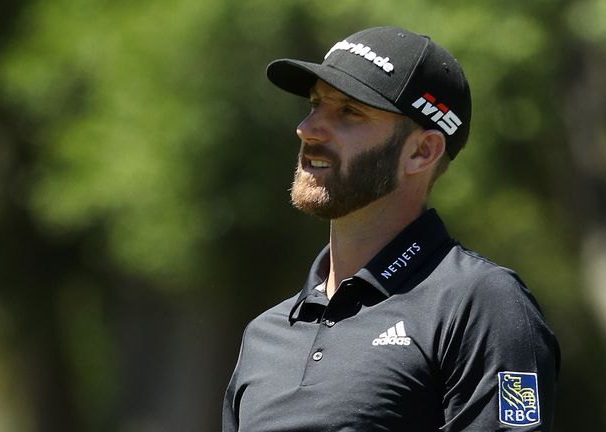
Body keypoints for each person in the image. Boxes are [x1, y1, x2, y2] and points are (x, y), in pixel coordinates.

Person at [223, 26, 559, 432]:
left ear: (421, 151)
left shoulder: (481, 304)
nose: (307, 128)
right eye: (315, 104)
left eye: (350, 111)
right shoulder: (265, 335)